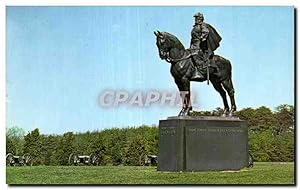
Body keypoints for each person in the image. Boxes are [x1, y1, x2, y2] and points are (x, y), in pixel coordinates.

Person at [190, 12, 222, 80]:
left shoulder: (202, 25)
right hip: (193, 46)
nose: (195, 19)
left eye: (196, 18)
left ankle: (199, 72)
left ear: (200, 18)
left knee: (195, 55)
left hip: (199, 46)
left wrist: (202, 38)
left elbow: (206, 31)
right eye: (195, 18)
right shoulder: (195, 27)